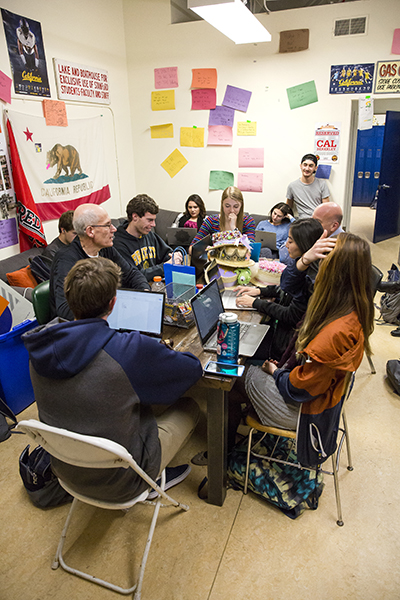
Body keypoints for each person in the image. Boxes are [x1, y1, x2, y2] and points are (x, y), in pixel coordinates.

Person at [23, 257, 203, 502]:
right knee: (191, 406)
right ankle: (153, 482)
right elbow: (192, 370)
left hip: (65, 469)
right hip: (125, 480)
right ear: (113, 302)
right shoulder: (129, 349)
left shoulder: (40, 346)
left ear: (67, 298)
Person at [227, 233, 374, 459]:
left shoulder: (334, 331)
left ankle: (223, 456)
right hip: (323, 400)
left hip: (306, 413)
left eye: (321, 263)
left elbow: (297, 389)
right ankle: (237, 442)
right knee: (240, 381)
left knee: (231, 379)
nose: (316, 271)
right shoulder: (351, 308)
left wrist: (276, 372)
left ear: (333, 271)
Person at [234, 218, 324, 361]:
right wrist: (260, 291)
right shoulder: (303, 267)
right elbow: (285, 290)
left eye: (291, 241)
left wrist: (255, 303)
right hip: (281, 335)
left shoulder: (311, 280)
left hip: (283, 346)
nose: (286, 244)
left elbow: (290, 315)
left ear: (304, 245)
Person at [49, 203, 150, 321]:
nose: (114, 229)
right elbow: (64, 310)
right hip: (79, 329)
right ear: (90, 231)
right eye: (107, 225)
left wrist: (146, 295)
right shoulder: (66, 260)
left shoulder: (105, 248)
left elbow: (132, 273)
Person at [114, 194, 182, 282]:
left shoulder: (148, 234)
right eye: (149, 220)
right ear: (135, 217)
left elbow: (166, 254)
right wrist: (164, 267)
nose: (154, 225)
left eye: (154, 220)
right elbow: (134, 277)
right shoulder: (118, 244)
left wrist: (174, 257)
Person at [190, 186, 256, 250]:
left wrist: (234, 228)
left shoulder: (248, 221)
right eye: (227, 206)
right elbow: (193, 247)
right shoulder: (211, 221)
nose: (232, 210)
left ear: (241, 205)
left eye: (236, 206)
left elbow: (251, 249)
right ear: (222, 204)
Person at [286, 153, 330, 218]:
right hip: (302, 222)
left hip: (317, 221)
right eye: (305, 165)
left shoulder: (322, 184)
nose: (307, 168)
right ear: (301, 166)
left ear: (315, 168)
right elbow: (288, 207)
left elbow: (326, 208)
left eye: (311, 166)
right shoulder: (292, 186)